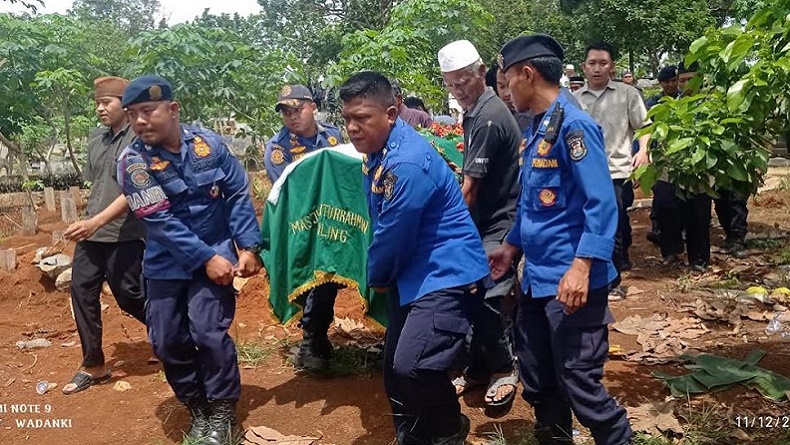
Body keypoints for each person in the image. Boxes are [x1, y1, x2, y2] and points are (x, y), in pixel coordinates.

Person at [491, 33, 634, 445]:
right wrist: (511, 246)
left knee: (579, 382)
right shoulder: (539, 127)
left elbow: (603, 204)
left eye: (507, 81)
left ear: (527, 74)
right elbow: (537, 205)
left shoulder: (575, 127)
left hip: (573, 282)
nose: (506, 90)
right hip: (537, 278)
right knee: (537, 375)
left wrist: (582, 266)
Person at [340, 71, 491, 445]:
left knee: (414, 365)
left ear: (391, 114)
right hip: (415, 274)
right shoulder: (380, 152)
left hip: (446, 274)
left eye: (362, 118)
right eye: (347, 119)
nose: (352, 128)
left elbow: (393, 235)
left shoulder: (404, 164)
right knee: (394, 369)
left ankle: (447, 430)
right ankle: (414, 434)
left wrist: (375, 277)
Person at [117, 75, 263, 445]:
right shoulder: (132, 161)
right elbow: (159, 220)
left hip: (216, 258)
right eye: (132, 114)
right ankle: (196, 404)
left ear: (173, 108)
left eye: (147, 111)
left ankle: (221, 411)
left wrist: (247, 247)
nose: (139, 121)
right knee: (166, 341)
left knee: (210, 335)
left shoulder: (210, 146)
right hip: (167, 263)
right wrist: (206, 258)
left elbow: (237, 195)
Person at [438, 39, 520, 408]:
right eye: (450, 84)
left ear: (481, 72)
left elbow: (470, 191)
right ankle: (477, 368)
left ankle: (505, 368)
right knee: (471, 295)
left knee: (486, 295)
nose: (457, 90)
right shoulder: (476, 111)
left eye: (463, 82)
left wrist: (447, 234)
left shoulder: (487, 116)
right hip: (487, 219)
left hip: (499, 222)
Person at [61, 76, 147, 395]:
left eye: (106, 102)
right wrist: (89, 221)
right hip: (92, 232)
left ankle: (176, 336)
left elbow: (133, 191)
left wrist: (95, 221)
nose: (100, 108)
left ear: (124, 104)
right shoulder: (96, 139)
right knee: (81, 290)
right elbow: (98, 184)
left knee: (129, 296)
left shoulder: (138, 138)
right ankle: (94, 365)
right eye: (97, 103)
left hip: (125, 233)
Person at [263, 84, 345, 372]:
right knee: (310, 281)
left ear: (313, 107)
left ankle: (315, 339)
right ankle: (312, 338)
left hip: (334, 221)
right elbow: (290, 190)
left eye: (297, 109)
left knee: (330, 277)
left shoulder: (333, 136)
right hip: (301, 224)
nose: (292, 116)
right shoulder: (278, 149)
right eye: (286, 112)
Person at [574, 41, 650, 300]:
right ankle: (592, 276)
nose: (597, 68)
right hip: (583, 176)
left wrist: (643, 151)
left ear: (612, 67)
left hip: (617, 171)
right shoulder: (574, 100)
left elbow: (644, 126)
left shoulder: (627, 95)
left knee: (613, 226)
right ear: (584, 67)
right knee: (587, 225)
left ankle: (614, 280)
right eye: (592, 63)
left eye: (602, 63)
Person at [645, 65, 680, 246]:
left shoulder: (685, 100)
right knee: (660, 195)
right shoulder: (653, 104)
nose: (671, 85)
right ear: (661, 83)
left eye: (674, 81)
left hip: (681, 155)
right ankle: (658, 229)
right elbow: (645, 129)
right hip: (660, 155)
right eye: (667, 82)